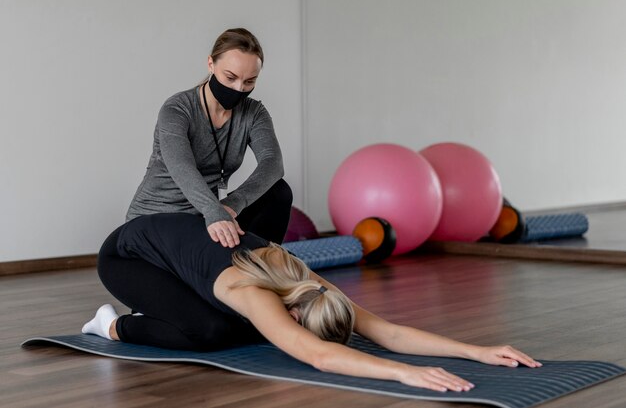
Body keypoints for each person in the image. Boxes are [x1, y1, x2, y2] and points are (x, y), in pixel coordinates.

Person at [83, 212, 542, 393]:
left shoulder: (310, 283)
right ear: (296, 311)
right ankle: (113, 326)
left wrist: (477, 350)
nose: (299, 332)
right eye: (300, 326)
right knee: (211, 333)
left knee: (243, 328)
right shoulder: (252, 291)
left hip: (183, 259)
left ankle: (168, 307)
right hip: (128, 257)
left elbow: (387, 331)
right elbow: (319, 356)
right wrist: (404, 372)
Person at [126, 27, 291, 247]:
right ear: (211, 64)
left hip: (208, 216)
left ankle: (263, 264)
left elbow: (273, 163)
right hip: (158, 216)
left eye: (249, 81)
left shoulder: (254, 113)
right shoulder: (177, 109)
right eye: (230, 77)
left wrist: (233, 204)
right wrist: (214, 212)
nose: (239, 89)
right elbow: (181, 166)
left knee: (279, 193)